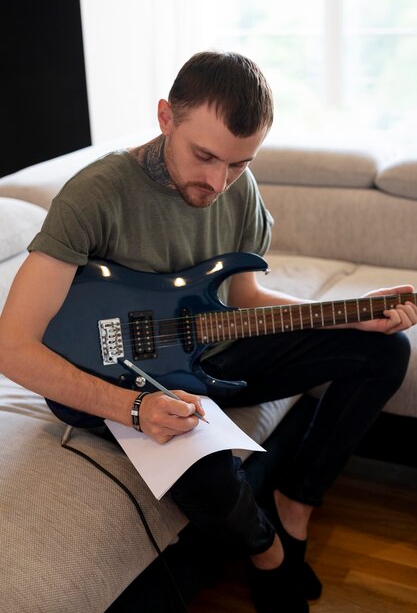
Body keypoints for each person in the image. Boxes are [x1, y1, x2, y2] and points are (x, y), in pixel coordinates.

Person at [0, 51, 416, 613]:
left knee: (387, 349)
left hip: (216, 353)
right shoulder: (95, 195)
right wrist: (130, 408)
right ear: (166, 117)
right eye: (205, 157)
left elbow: (246, 302)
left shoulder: (239, 191)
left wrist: (345, 314)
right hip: (129, 380)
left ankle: (296, 502)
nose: (218, 182)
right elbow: (13, 346)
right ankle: (267, 553)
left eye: (239, 164)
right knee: (210, 482)